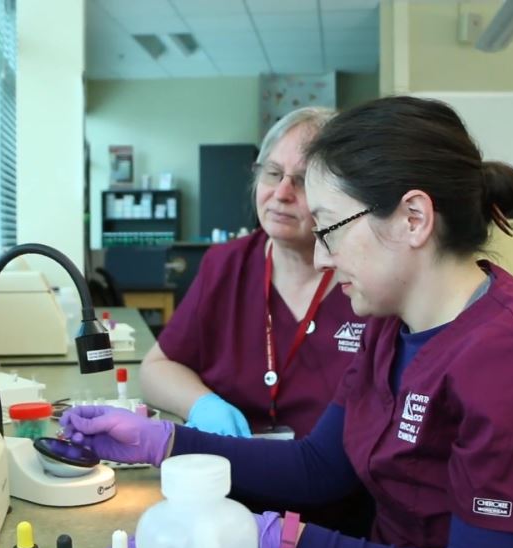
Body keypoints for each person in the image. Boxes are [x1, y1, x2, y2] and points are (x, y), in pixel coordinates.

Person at [63, 96, 513, 548]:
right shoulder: (391, 325)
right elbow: (318, 465)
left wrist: (279, 544)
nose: (321, 259)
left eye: (329, 228)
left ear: (413, 218)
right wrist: (166, 442)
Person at [140, 106, 367, 439]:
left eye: (303, 181)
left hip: (335, 482)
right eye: (273, 173)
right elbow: (156, 369)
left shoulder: (366, 277)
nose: (281, 193)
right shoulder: (226, 265)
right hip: (233, 472)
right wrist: (202, 404)